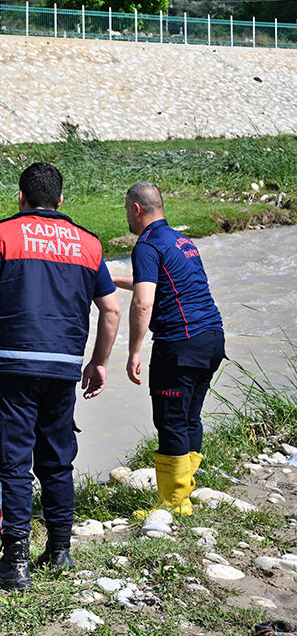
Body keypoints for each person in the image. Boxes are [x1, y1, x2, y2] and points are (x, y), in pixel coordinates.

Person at [0, 163, 120, 591]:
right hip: (64, 366)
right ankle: (60, 551)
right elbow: (112, 309)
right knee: (57, 458)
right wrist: (99, 361)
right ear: (61, 201)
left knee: (12, 462)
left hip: (13, 365)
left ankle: (15, 562)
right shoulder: (88, 243)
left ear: (21, 198)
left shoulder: (5, 235)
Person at [111, 182, 224, 516]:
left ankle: (173, 506)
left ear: (136, 208)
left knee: (171, 420)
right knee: (190, 417)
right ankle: (185, 492)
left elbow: (144, 302)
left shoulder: (146, 244)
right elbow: (156, 282)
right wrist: (111, 277)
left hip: (179, 343)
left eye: (126, 210)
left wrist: (133, 350)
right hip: (211, 338)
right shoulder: (181, 240)